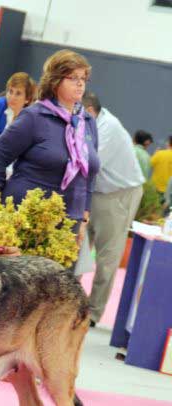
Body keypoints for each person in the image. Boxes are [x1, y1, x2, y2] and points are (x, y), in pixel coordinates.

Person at [0, 50, 99, 249]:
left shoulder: (87, 122)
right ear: (55, 81)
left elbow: (89, 174)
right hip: (27, 218)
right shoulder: (35, 116)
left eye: (83, 78)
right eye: (73, 78)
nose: (80, 83)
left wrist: (83, 219)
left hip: (68, 222)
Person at [82, 92, 144, 326]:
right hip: (96, 191)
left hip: (119, 194)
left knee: (107, 257)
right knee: (78, 249)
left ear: (88, 111)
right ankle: (69, 305)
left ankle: (93, 313)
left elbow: (88, 163)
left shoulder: (107, 128)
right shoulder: (91, 123)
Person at [150, 135, 172, 204]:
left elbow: (148, 165)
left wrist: (155, 154)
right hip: (170, 192)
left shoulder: (159, 154)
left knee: (155, 212)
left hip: (156, 189)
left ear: (168, 143)